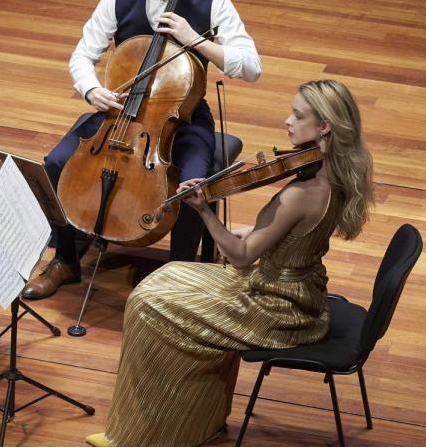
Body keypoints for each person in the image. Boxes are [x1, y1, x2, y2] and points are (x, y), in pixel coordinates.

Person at [85, 79, 374, 446]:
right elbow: (298, 233)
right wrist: (258, 229)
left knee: (147, 304)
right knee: (171, 274)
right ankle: (198, 420)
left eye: (298, 116)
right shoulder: (332, 173)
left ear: (325, 127)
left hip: (275, 309)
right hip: (301, 294)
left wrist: (205, 211)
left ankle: (135, 439)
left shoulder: (302, 193)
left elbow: (239, 258)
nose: (287, 121)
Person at [22, 0, 262, 300]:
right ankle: (65, 259)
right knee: (54, 164)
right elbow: (82, 55)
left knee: (191, 188)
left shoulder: (212, 0)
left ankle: (179, 276)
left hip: (181, 121)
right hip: (117, 111)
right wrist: (91, 90)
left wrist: (196, 40)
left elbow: (251, 67)